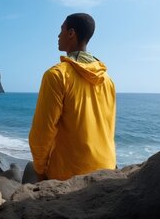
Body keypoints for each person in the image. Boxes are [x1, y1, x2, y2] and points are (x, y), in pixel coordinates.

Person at [29, 13, 116, 181]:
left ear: (71, 33)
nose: (58, 35)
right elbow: (109, 128)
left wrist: (41, 170)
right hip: (107, 167)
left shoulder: (56, 75)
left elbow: (41, 133)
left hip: (70, 174)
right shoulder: (108, 80)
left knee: (30, 173)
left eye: (61, 29)